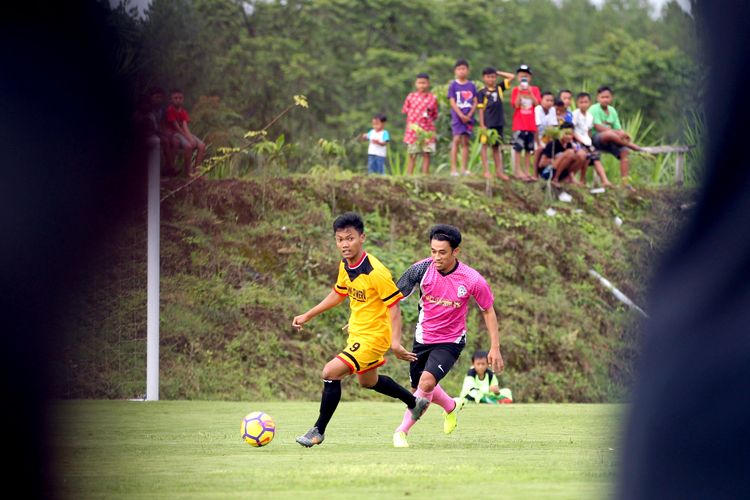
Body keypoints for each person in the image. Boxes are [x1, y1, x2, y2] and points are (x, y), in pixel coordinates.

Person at [292, 213, 429, 447]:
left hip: (375, 337)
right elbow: (339, 293)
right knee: (368, 381)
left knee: (330, 372)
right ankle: (415, 402)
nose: (344, 244)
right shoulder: (345, 265)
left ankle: (318, 431)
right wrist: (308, 314)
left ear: (362, 238)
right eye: (339, 239)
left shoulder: (376, 271)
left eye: (350, 238)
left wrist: (395, 343)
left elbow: (393, 308)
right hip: (358, 332)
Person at [391, 224, 504, 448]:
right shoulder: (420, 270)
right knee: (420, 390)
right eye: (433, 251)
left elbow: (488, 310)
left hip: (450, 341)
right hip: (422, 339)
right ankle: (451, 406)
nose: (436, 257)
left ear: (456, 251)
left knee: (426, 382)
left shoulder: (472, 279)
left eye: (442, 252)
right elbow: (392, 298)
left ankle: (401, 432)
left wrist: (495, 347)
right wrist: (363, 317)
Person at [589, 86, 643, 190]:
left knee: (625, 151)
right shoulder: (594, 109)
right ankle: (632, 145)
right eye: (602, 97)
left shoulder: (612, 110)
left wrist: (623, 134)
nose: (605, 99)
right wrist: (617, 133)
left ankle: (625, 182)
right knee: (609, 134)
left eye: (607, 97)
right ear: (598, 98)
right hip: (597, 138)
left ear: (611, 98)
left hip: (612, 140)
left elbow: (618, 128)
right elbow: (598, 127)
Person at [477, 66, 515, 181]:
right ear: (484, 78)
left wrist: (498, 72)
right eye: (488, 77)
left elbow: (511, 76)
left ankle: (499, 171)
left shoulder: (499, 88)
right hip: (487, 124)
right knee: (484, 146)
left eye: (493, 77)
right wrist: (482, 125)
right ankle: (486, 171)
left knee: (496, 147)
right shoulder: (481, 93)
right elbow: (480, 110)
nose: (491, 79)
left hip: (498, 123)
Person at [572, 92, 613, 187]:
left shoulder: (590, 116)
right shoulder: (575, 114)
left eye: (586, 102)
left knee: (595, 156)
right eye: (581, 102)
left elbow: (589, 131)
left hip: (586, 141)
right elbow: (572, 130)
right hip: (577, 141)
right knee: (585, 155)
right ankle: (575, 178)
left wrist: (588, 141)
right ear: (577, 103)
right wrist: (581, 141)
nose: (583, 104)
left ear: (589, 103)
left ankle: (604, 181)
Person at [402, 73, 438, 175]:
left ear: (428, 84)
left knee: (426, 154)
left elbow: (435, 114)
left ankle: (425, 176)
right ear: (415, 84)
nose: (422, 85)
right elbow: (406, 110)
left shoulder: (432, 98)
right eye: (419, 83)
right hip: (413, 131)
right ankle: (409, 176)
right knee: (412, 154)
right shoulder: (410, 97)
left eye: (424, 83)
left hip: (427, 130)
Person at [510, 64, 542, 181]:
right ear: (518, 77)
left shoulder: (535, 90)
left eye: (526, 76)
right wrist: (520, 92)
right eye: (522, 76)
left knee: (529, 149)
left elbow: (537, 103)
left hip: (530, 124)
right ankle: (518, 170)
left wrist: (530, 93)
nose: (524, 78)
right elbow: (516, 105)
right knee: (518, 148)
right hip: (519, 123)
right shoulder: (515, 90)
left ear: (530, 78)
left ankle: (527, 170)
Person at [448, 59, 478, 176]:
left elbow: (475, 101)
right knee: (456, 140)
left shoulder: (471, 85)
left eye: (464, 69)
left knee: (466, 141)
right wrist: (460, 114)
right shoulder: (453, 85)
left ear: (468, 70)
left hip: (468, 116)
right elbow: (452, 101)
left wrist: (469, 114)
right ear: (455, 71)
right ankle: (453, 169)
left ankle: (464, 169)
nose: (461, 71)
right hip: (457, 116)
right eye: (459, 69)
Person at [166, 88, 206, 177]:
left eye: (180, 98)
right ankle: (188, 172)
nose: (178, 100)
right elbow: (177, 128)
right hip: (175, 133)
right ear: (171, 99)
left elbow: (184, 126)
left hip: (183, 133)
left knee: (202, 145)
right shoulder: (170, 110)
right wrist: (188, 139)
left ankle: (197, 171)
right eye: (175, 98)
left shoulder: (183, 112)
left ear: (183, 99)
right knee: (188, 146)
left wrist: (190, 138)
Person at [149, 87, 176, 175]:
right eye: (156, 97)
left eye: (160, 97)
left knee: (171, 140)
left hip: (158, 131)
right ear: (151, 97)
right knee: (165, 141)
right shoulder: (148, 108)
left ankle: (167, 167)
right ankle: (171, 167)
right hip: (150, 132)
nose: (159, 100)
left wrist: (165, 132)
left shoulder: (162, 110)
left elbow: (162, 123)